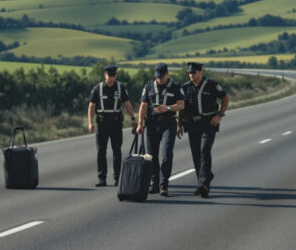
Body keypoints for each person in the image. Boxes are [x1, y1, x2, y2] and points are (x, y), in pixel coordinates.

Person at [178, 61, 229, 198]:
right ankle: (202, 180)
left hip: (208, 123)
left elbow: (225, 98)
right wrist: (179, 125)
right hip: (192, 124)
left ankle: (204, 184)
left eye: (193, 72)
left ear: (201, 72)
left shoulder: (212, 85)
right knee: (196, 154)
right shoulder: (185, 87)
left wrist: (220, 115)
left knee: (204, 150)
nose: (191, 75)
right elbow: (181, 108)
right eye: (189, 72)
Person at [135, 63, 184, 197]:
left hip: (169, 123)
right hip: (152, 124)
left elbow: (181, 105)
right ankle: (154, 183)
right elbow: (143, 106)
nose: (159, 79)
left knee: (166, 153)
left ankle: (164, 184)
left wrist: (167, 108)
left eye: (161, 77)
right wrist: (140, 124)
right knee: (151, 155)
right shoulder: (149, 86)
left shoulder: (175, 86)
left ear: (167, 73)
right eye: (157, 77)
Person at [87, 64, 136, 187]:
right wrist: (90, 122)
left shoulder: (120, 88)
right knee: (101, 151)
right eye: (110, 76)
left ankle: (118, 177)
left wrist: (133, 118)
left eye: (113, 76)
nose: (112, 78)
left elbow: (127, 103)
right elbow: (91, 106)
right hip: (102, 123)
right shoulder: (98, 88)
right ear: (105, 75)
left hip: (116, 123)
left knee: (117, 151)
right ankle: (102, 178)